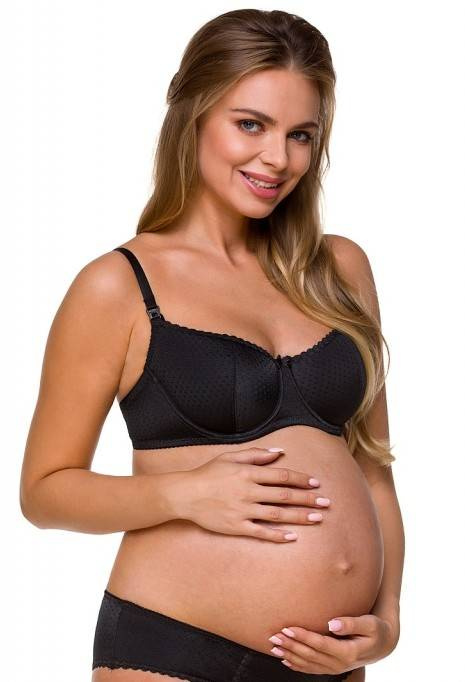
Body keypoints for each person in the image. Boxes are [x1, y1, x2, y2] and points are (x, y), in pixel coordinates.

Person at [20, 9, 404, 681]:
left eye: (301, 135)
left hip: (331, 664)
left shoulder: (339, 270)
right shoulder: (118, 286)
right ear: (192, 116)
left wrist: (387, 623)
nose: (278, 158)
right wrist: (184, 495)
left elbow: (372, 469)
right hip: (172, 648)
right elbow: (45, 492)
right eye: (250, 124)